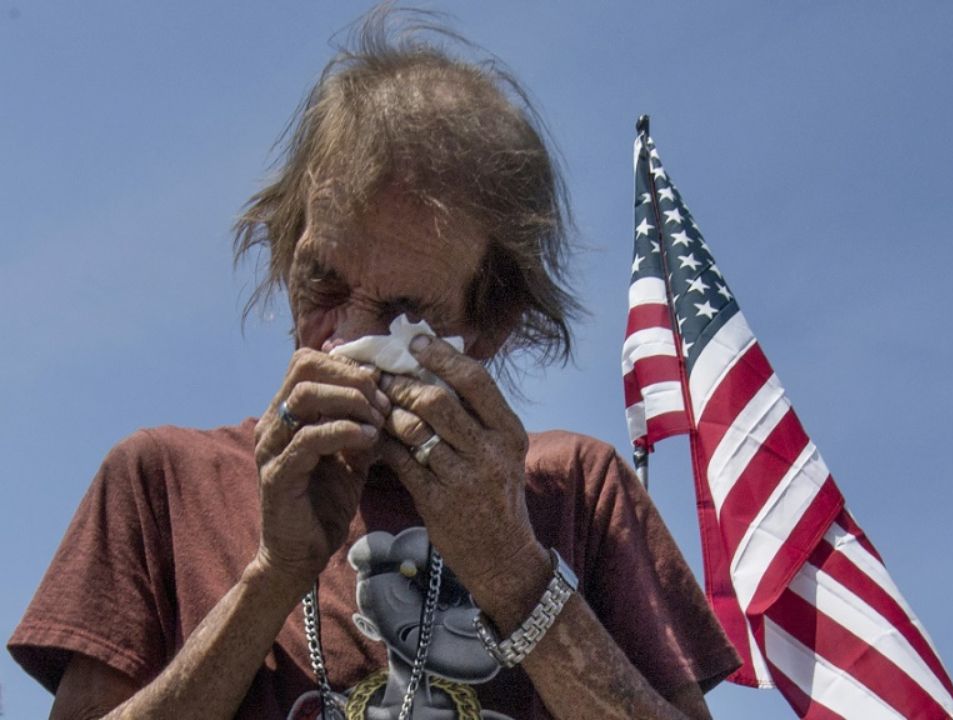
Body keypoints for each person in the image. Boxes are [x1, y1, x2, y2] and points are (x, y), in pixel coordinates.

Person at [8, 8, 740, 719]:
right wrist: (271, 575)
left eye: (403, 314)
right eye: (322, 286)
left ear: (489, 327)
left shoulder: (576, 490)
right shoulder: (165, 484)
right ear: (286, 255)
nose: (345, 342)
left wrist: (514, 572)